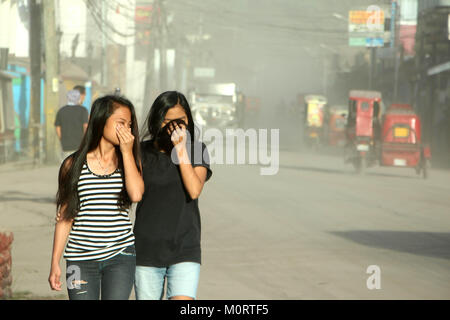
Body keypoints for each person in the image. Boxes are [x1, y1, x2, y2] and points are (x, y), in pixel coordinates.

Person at [48, 94, 144, 300]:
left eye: (129, 124)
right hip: (79, 260)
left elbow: (136, 194)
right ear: (101, 120)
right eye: (120, 123)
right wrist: (55, 261)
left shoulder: (129, 162)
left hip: (120, 256)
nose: (126, 129)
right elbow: (66, 216)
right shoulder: (72, 165)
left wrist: (127, 153)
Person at [134, 91, 212, 300]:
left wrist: (181, 150)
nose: (175, 127)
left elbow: (194, 189)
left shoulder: (197, 150)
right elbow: (133, 193)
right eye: (168, 121)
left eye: (181, 121)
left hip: (185, 247)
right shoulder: (141, 152)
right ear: (157, 120)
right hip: (147, 248)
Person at [55, 90, 89, 160]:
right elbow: (85, 126)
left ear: (68, 98)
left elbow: (58, 127)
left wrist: (62, 139)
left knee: (67, 165)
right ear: (78, 98)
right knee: (78, 166)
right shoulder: (83, 110)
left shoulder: (61, 111)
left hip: (66, 145)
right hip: (80, 145)